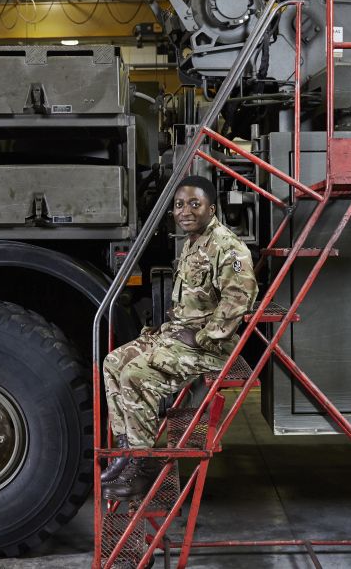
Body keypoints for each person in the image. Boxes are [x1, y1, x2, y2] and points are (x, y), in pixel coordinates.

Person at [101, 175, 258, 501]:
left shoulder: (228, 247)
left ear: (211, 208)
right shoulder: (193, 241)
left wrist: (201, 337)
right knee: (113, 362)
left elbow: (238, 300)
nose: (184, 211)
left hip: (210, 347)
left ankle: (142, 467)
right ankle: (127, 452)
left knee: (136, 375)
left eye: (194, 204)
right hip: (180, 336)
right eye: (179, 204)